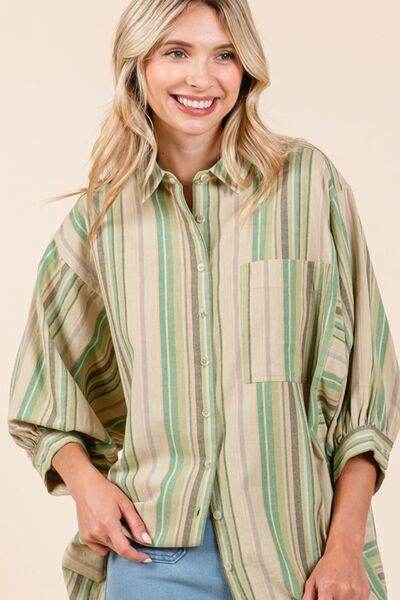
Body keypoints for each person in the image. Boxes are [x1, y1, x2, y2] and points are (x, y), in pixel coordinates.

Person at [7, 1, 400, 599]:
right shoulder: (102, 219)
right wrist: (87, 487)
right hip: (153, 556)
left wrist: (344, 547)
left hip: (297, 557)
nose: (201, 78)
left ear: (246, 69)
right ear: (138, 64)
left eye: (224, 55)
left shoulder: (307, 185)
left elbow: (366, 393)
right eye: (176, 53)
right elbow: (44, 388)